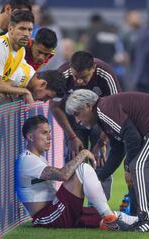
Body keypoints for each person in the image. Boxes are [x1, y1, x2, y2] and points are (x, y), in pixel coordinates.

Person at [15, 115, 149, 231]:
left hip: (57, 211)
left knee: (117, 218)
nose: (49, 137)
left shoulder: (36, 159)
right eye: (44, 133)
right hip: (47, 217)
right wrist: (84, 153)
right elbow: (63, 175)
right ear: (30, 137)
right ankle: (107, 215)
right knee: (83, 168)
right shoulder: (27, 160)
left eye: (49, 132)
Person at [65, 89, 149, 232]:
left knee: (138, 166)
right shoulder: (104, 114)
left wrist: (128, 168)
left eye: (77, 114)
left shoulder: (103, 110)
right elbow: (118, 150)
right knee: (137, 166)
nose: (78, 121)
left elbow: (132, 137)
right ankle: (139, 217)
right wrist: (98, 178)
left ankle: (147, 220)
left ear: (88, 106)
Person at [50, 51, 121, 202]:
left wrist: (103, 141)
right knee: (74, 163)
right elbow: (55, 107)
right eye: (75, 77)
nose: (79, 81)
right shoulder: (62, 74)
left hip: (101, 123)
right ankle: (74, 209)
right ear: (70, 68)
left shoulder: (106, 74)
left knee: (101, 162)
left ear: (94, 68)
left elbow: (116, 110)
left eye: (84, 77)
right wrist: (71, 137)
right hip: (73, 123)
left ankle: (98, 210)